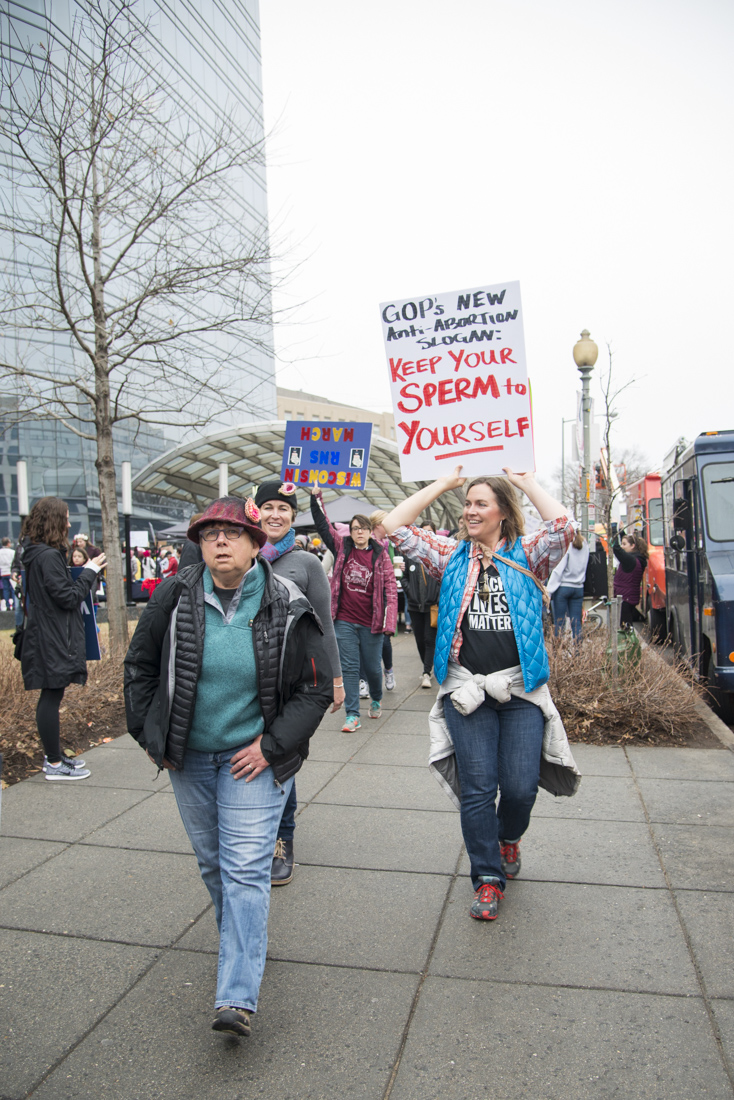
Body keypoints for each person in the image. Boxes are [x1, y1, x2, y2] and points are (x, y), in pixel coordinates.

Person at [124, 496, 333, 1038]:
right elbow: (140, 666)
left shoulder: (286, 600)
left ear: (255, 543)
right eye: (210, 533)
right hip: (187, 758)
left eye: (232, 533)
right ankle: (243, 947)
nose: (220, 541)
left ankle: (237, 995)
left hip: (253, 762)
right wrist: (150, 734)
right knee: (215, 865)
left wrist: (270, 747)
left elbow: (313, 689)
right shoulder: (174, 595)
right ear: (198, 543)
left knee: (245, 868)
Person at [382, 466, 579, 922]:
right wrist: (443, 485)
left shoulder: (529, 554)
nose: (470, 511)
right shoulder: (450, 555)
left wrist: (529, 481)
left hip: (519, 690)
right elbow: (392, 526)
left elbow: (565, 528)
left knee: (518, 787)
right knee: (476, 789)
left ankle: (509, 837)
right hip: (465, 691)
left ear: (503, 513)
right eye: (467, 503)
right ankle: (488, 878)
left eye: (480, 503)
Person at [255, 480, 344, 886]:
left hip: (290, 683)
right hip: (244, 678)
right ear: (255, 511)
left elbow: (324, 625)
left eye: (284, 508)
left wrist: (337, 678)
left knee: (282, 756)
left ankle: (281, 839)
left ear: (294, 515)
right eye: (267, 506)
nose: (275, 514)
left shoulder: (306, 564)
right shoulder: (240, 552)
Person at [20, 497, 106, 780]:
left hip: (44, 634)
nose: (69, 524)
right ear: (55, 520)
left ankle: (54, 759)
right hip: (50, 637)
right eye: (66, 518)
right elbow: (68, 597)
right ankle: (54, 764)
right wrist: (90, 573)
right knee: (51, 694)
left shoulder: (37, 553)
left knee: (51, 694)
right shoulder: (46, 556)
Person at [310, 487, 397, 732]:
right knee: (349, 667)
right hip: (344, 620)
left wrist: (389, 623)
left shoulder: (381, 555)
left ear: (371, 532)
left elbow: (390, 588)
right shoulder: (342, 548)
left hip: (372, 622)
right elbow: (324, 526)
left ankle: (377, 697)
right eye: (355, 528)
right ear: (351, 531)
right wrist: (316, 498)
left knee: (371, 667)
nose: (359, 532)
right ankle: (352, 714)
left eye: (363, 528)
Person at [401, 521, 442, 688]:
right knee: (419, 640)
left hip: (432, 606)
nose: (427, 535)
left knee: (429, 638)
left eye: (430, 531)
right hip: (414, 605)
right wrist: (410, 591)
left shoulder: (439, 555)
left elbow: (443, 578)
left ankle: (426, 672)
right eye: (424, 532)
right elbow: (402, 577)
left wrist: (437, 595)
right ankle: (428, 666)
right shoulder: (410, 554)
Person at [548, 531, 590, 639]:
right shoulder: (585, 544)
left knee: (559, 622)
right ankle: (578, 653)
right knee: (576, 623)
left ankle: (558, 652)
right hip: (578, 587)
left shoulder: (566, 545)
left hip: (563, 587)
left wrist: (549, 591)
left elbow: (558, 570)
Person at [613, 530, 648, 627]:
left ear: (632, 546)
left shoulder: (631, 560)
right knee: (626, 624)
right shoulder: (637, 558)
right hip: (628, 596)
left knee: (625, 625)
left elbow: (616, 549)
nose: (622, 546)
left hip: (625, 597)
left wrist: (614, 530)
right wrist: (621, 533)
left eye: (624, 544)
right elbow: (629, 543)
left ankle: (629, 642)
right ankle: (629, 641)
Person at [0, 536, 15, 611]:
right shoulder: (12, 552)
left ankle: (7, 605)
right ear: (8, 543)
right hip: (11, 572)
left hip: (3, 572)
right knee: (13, 589)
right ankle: (14, 604)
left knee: (5, 589)